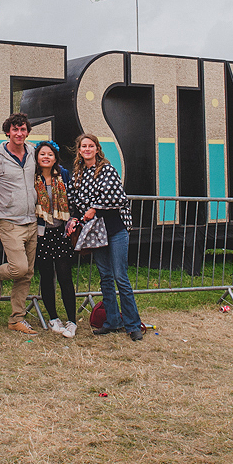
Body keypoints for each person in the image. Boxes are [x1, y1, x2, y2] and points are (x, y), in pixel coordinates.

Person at [68, 133, 143, 341]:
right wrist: (74, 218)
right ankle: (112, 321)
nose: (87, 149)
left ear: (97, 149)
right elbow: (74, 201)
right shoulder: (77, 175)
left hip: (116, 229)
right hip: (95, 233)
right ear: (79, 150)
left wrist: (94, 207)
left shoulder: (107, 170)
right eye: (83, 146)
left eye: (91, 146)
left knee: (121, 276)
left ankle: (133, 324)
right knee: (106, 278)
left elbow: (117, 197)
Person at [0, 112, 39, 335]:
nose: (19, 133)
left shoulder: (33, 151)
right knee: (19, 268)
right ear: (8, 132)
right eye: (15, 129)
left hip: (32, 220)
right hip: (8, 220)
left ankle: (17, 318)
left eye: (23, 129)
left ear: (27, 132)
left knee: (27, 274)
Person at [33, 140, 78, 338]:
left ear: (55, 157)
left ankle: (72, 320)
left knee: (65, 276)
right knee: (46, 276)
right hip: (41, 234)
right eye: (42, 154)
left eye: (50, 154)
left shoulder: (64, 175)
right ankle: (53, 317)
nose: (46, 157)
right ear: (37, 157)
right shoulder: (32, 177)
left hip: (60, 232)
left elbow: (72, 199)